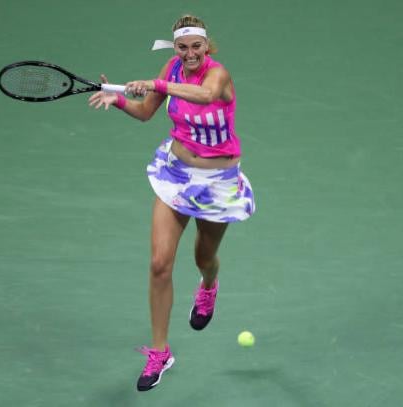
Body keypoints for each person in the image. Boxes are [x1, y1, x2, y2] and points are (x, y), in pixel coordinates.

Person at [88, 14, 255, 391]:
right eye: (183, 47)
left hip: (217, 182)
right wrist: (117, 100)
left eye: (196, 46)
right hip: (176, 173)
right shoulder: (171, 68)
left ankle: (209, 284)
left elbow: (207, 95)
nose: (190, 53)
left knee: (203, 257)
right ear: (175, 48)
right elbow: (146, 112)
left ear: (206, 46)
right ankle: (160, 351)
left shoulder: (218, 75)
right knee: (160, 263)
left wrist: (156, 83)